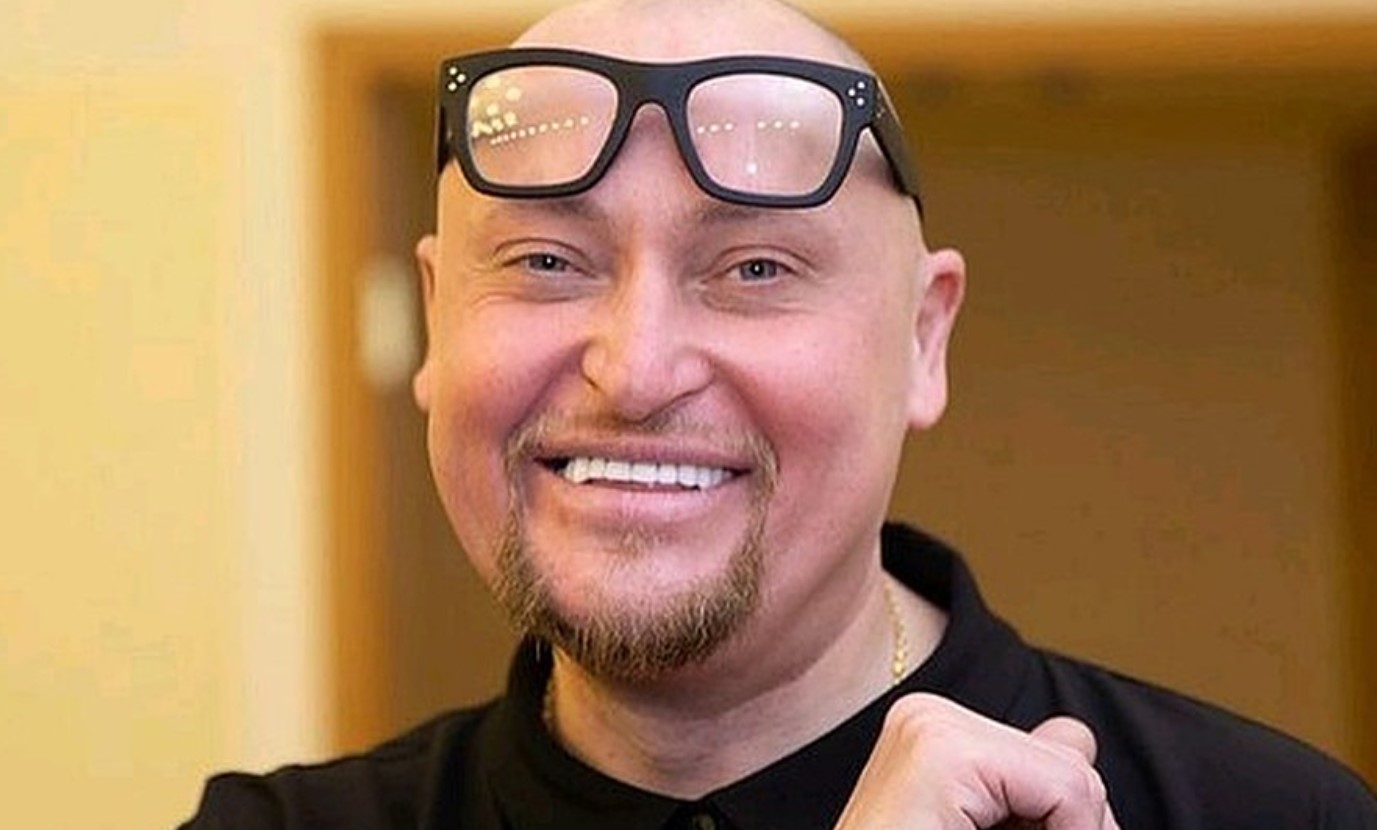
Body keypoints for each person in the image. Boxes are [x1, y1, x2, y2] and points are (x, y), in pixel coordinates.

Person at [181, 0, 1377, 827]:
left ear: (924, 341)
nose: (636, 370)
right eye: (547, 262)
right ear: (438, 321)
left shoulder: (1267, 813)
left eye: (754, 268)